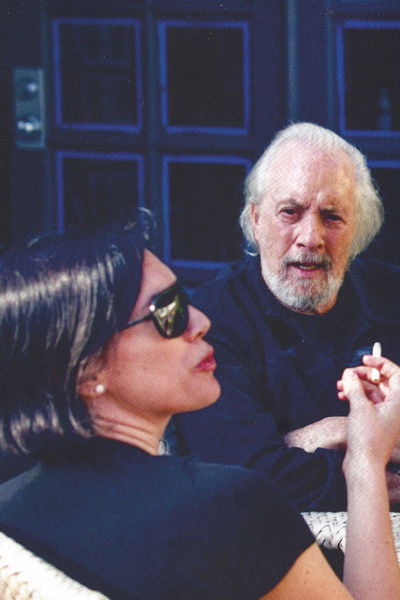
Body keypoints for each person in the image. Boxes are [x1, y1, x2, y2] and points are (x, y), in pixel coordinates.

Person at [0, 221, 399, 599]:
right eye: (167, 311)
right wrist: (366, 457)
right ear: (86, 370)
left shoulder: (10, 520)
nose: (202, 322)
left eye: (185, 299)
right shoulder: (231, 507)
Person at [174, 121, 400, 512]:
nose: (310, 237)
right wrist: (349, 432)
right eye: (290, 212)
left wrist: (293, 443)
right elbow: (240, 476)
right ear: (255, 219)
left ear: (357, 229)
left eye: (332, 216)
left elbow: (265, 463)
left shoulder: (390, 293)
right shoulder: (210, 321)